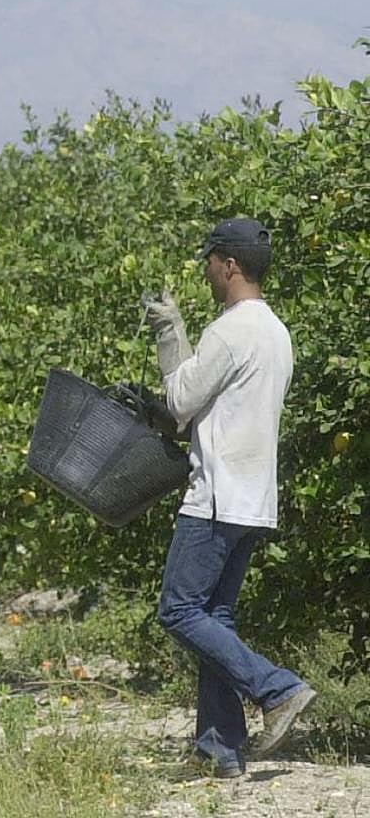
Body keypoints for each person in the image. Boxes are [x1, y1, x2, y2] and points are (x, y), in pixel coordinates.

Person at [147, 218, 315, 779]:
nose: (207, 271)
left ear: (230, 265)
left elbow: (180, 402)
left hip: (215, 497)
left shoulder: (230, 331)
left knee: (178, 609)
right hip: (255, 498)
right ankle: (219, 751)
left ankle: (277, 689)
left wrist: (169, 330)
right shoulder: (276, 332)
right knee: (215, 618)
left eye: (211, 262)